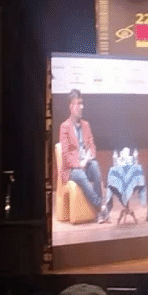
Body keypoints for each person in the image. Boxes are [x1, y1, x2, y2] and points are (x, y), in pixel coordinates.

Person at [59, 89, 108, 223]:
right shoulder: (64, 127)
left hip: (86, 163)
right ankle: (100, 207)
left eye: (82, 103)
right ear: (71, 106)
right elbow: (65, 153)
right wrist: (78, 164)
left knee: (95, 166)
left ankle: (99, 213)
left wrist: (88, 158)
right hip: (72, 169)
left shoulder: (86, 125)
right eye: (79, 103)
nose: (82, 107)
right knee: (80, 175)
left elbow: (92, 145)